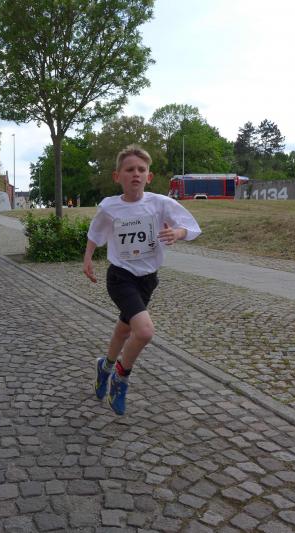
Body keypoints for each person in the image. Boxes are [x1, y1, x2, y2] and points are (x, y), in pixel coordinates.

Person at [83, 145, 201, 415]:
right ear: (117, 177)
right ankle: (120, 378)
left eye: (141, 169)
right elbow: (95, 232)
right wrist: (88, 258)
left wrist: (177, 234)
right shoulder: (109, 207)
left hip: (147, 279)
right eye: (129, 170)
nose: (135, 174)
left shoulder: (160, 203)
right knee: (145, 331)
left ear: (149, 176)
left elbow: (190, 226)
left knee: (124, 330)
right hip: (120, 276)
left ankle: (105, 366)